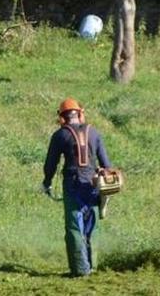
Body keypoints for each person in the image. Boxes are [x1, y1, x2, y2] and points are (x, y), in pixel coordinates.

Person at [42, 98, 112, 277]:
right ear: (80, 113)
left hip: (72, 186)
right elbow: (106, 164)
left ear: (62, 117)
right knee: (91, 226)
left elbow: (51, 164)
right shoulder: (94, 133)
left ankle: (80, 270)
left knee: (74, 227)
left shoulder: (60, 135)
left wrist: (47, 182)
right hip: (92, 185)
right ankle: (92, 265)